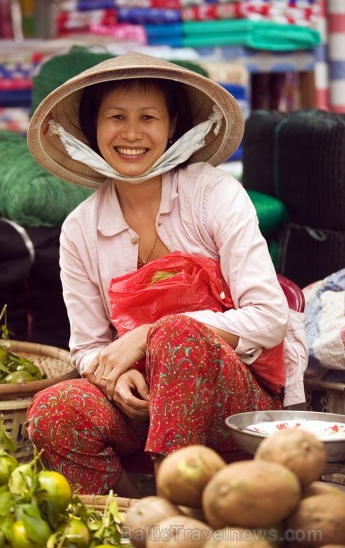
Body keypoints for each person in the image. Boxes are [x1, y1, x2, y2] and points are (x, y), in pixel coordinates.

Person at [26, 52, 306, 498]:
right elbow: (86, 347)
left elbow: (269, 318)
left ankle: (175, 513)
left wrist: (151, 333)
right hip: (141, 404)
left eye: (148, 118)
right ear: (93, 128)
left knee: (178, 334)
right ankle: (120, 518)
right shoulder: (80, 228)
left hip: (236, 398)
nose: (131, 134)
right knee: (53, 409)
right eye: (116, 117)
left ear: (172, 126)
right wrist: (114, 379)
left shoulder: (213, 195)